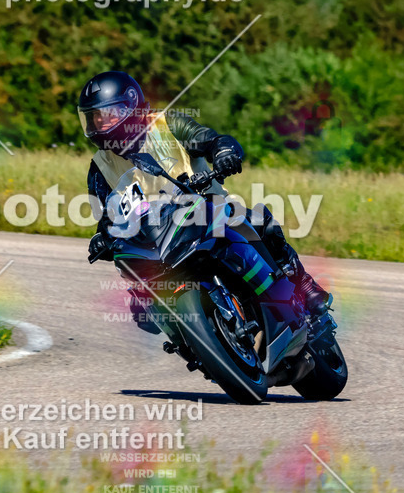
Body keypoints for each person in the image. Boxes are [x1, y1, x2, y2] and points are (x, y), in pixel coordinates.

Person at [78, 71, 330, 332]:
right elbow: (107, 217)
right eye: (93, 117)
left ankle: (303, 285)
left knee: (258, 222)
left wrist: (223, 151)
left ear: (130, 106)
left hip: (206, 209)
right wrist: (102, 238)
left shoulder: (167, 125)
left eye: (106, 115)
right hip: (154, 241)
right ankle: (193, 344)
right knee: (143, 311)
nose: (99, 123)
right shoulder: (99, 167)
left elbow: (211, 140)